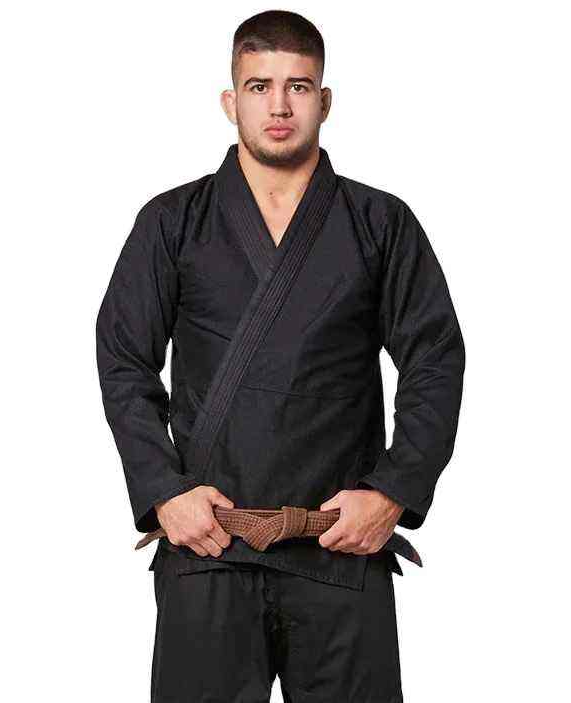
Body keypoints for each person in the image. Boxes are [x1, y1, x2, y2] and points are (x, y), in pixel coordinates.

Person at [96, 9, 465, 702]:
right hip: (208, 547)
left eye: (298, 86)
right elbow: (123, 359)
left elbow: (435, 359)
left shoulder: (380, 222)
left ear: (324, 100)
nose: (279, 106)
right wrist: (163, 490)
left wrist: (393, 491)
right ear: (229, 101)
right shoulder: (172, 222)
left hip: (340, 547)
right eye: (259, 86)